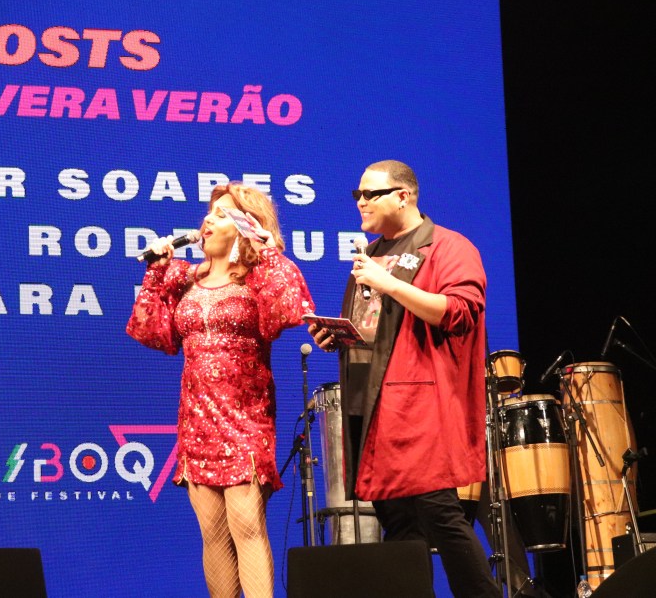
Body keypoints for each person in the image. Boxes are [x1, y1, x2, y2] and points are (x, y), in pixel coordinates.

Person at [307, 160, 499, 597]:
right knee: (396, 522)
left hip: (421, 405)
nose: (360, 202)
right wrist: (339, 336)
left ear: (402, 196)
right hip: (374, 405)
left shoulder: (448, 246)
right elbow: (378, 329)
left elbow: (461, 312)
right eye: (356, 194)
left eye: (370, 194)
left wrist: (390, 284)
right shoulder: (373, 253)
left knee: (439, 512)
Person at [126, 182, 313, 598]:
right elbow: (149, 331)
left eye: (222, 214)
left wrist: (266, 251)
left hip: (245, 417)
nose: (208, 221)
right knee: (212, 532)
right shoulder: (185, 277)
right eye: (209, 213)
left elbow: (289, 311)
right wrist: (156, 271)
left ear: (248, 226)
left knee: (246, 525)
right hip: (197, 419)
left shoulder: (259, 275)